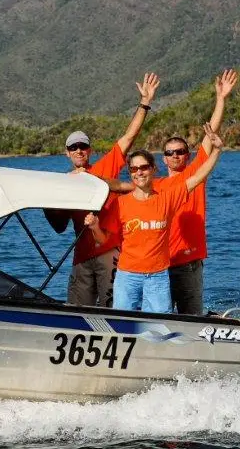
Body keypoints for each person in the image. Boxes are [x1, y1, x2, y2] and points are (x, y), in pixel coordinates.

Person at [45, 72, 160, 307]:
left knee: (115, 308)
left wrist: (145, 103)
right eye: (73, 147)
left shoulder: (104, 167)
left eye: (83, 147)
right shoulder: (64, 183)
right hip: (82, 258)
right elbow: (59, 226)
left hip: (110, 252)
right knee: (77, 312)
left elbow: (129, 136)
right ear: (67, 153)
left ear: (90, 150)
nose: (79, 150)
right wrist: (47, 201)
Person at [87, 123, 224, 313]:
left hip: (157, 277)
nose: (139, 172)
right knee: (122, 322)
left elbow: (199, 176)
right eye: (134, 169)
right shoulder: (121, 204)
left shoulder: (167, 198)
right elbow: (102, 240)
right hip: (127, 276)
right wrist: (94, 227)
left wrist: (217, 149)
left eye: (143, 167)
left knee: (160, 328)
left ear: (153, 169)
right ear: (130, 172)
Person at [154, 69, 238, 314]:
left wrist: (221, 98)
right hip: (159, 265)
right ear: (164, 159)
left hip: (189, 263)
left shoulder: (195, 174)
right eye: (170, 152)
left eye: (180, 151)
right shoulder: (155, 186)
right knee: (159, 320)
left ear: (187, 155)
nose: (175, 155)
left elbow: (211, 134)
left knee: (191, 318)